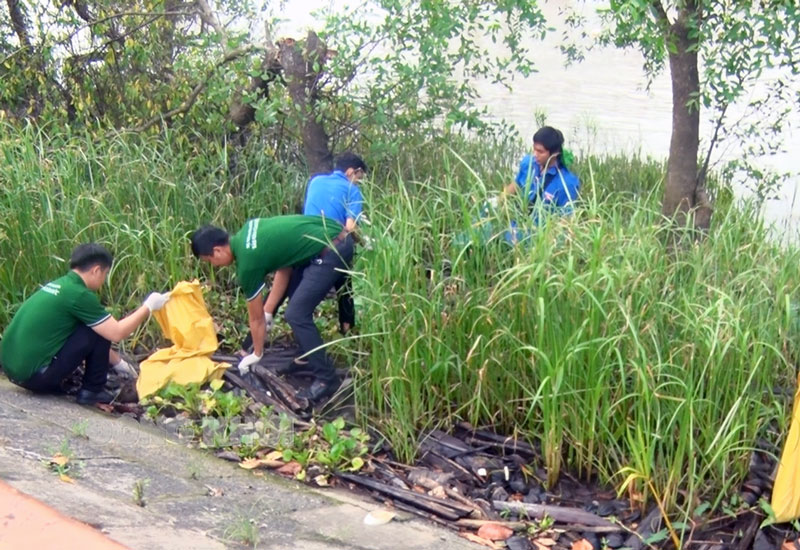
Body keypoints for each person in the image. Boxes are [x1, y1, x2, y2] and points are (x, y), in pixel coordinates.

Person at [191, 215, 353, 403]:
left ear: (217, 251)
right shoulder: (248, 229)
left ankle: (327, 380)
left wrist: (257, 353)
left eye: (210, 261)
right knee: (296, 302)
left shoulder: (247, 263)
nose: (214, 266)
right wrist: (269, 309)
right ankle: (309, 355)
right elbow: (284, 266)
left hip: (332, 250)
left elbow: (255, 318)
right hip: (338, 236)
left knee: (296, 314)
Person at [0, 244, 171, 405]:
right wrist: (148, 307)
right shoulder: (80, 295)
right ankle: (92, 391)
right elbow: (115, 333)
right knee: (97, 328)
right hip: (34, 378)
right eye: (105, 274)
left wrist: (118, 363)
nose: (103, 280)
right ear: (96, 270)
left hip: (12, 371)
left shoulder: (59, 285)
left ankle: (73, 382)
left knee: (94, 325)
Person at [303, 152, 367, 334]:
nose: (358, 183)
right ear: (351, 172)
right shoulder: (352, 191)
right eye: (358, 178)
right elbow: (351, 228)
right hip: (331, 247)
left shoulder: (315, 181)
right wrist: (364, 243)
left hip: (306, 241)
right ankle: (347, 329)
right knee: (345, 284)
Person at [502, 126, 580, 214]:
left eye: (540, 151)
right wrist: (495, 202)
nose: (535, 154)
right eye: (534, 149)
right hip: (517, 223)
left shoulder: (567, 183)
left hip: (542, 226)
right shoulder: (528, 163)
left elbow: (566, 218)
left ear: (554, 153)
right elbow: (515, 185)